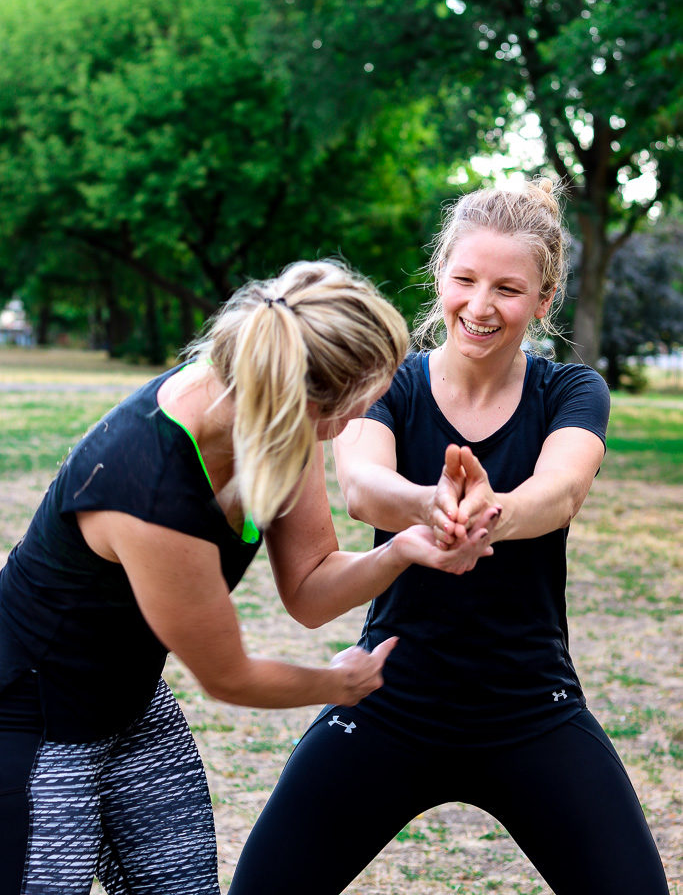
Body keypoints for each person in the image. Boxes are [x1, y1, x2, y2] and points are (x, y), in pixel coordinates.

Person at [228, 181, 670, 895]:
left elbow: (558, 491)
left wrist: (491, 510)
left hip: (530, 706)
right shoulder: (390, 383)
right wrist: (430, 504)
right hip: (387, 699)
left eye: (507, 288)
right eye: (464, 279)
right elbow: (362, 485)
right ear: (439, 275)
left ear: (544, 300)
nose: (480, 304)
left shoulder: (570, 390)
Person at [0, 260, 491, 895]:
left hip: (131, 702)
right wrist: (336, 683)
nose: (352, 424)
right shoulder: (148, 488)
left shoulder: (273, 420)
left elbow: (311, 590)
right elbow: (228, 675)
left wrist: (401, 550)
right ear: (303, 397)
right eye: (351, 408)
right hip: (35, 722)